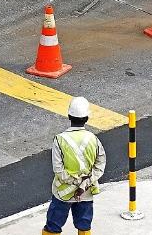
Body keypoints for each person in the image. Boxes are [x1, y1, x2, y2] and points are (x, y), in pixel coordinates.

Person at [42, 97, 106, 235]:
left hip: (63, 192)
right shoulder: (93, 139)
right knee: (84, 225)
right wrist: (84, 184)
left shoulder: (60, 140)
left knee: (53, 225)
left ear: (69, 115)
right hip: (86, 192)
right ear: (87, 118)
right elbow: (100, 165)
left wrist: (74, 182)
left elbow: (58, 170)